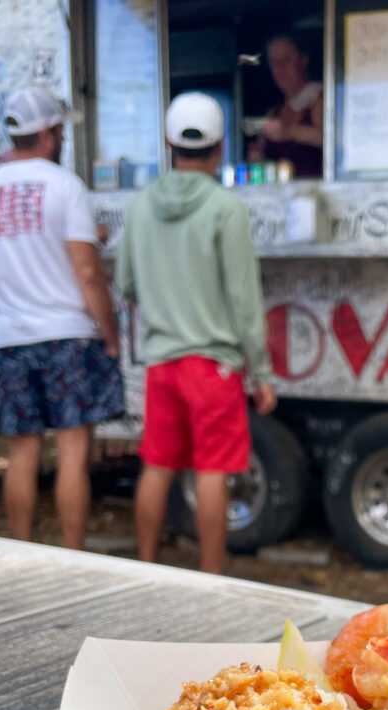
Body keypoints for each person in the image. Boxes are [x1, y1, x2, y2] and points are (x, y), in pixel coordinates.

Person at [115, 91, 276, 575]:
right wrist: (261, 370)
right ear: (220, 145)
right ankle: (211, 577)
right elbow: (243, 299)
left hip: (162, 363)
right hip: (213, 367)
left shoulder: (140, 207)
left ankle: (147, 566)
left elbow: (124, 283)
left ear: (170, 144)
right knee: (212, 471)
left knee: (157, 466)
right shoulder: (226, 208)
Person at [0, 86, 124, 549]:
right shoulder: (65, 186)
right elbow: (87, 273)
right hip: (67, 336)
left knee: (21, 451)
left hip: (11, 336)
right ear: (50, 135)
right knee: (73, 453)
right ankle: (73, 555)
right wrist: (111, 336)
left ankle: (21, 548)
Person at [252, 31, 323, 178]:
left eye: (286, 60)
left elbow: (329, 139)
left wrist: (290, 131)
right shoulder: (274, 113)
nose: (280, 69)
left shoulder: (320, 99)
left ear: (303, 60)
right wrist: (257, 158)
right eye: (274, 63)